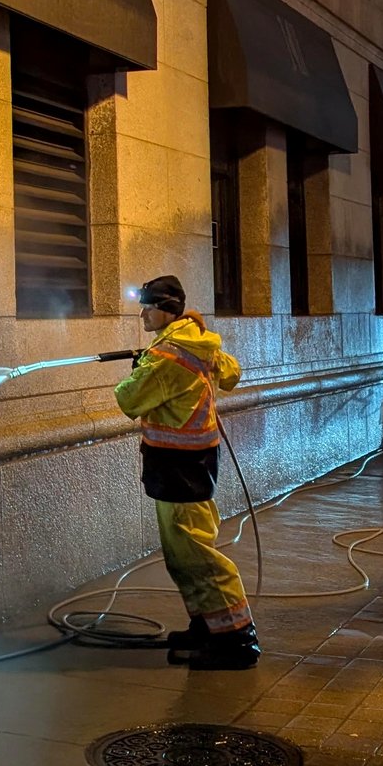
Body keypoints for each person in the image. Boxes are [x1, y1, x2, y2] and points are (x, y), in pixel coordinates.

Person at [113, 276, 259, 670]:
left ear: (165, 310)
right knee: (181, 553)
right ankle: (207, 625)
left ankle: (236, 639)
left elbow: (129, 398)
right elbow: (230, 372)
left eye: (147, 307)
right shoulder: (194, 340)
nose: (142, 314)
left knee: (194, 552)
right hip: (185, 462)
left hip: (180, 465)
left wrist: (142, 366)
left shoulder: (170, 355)